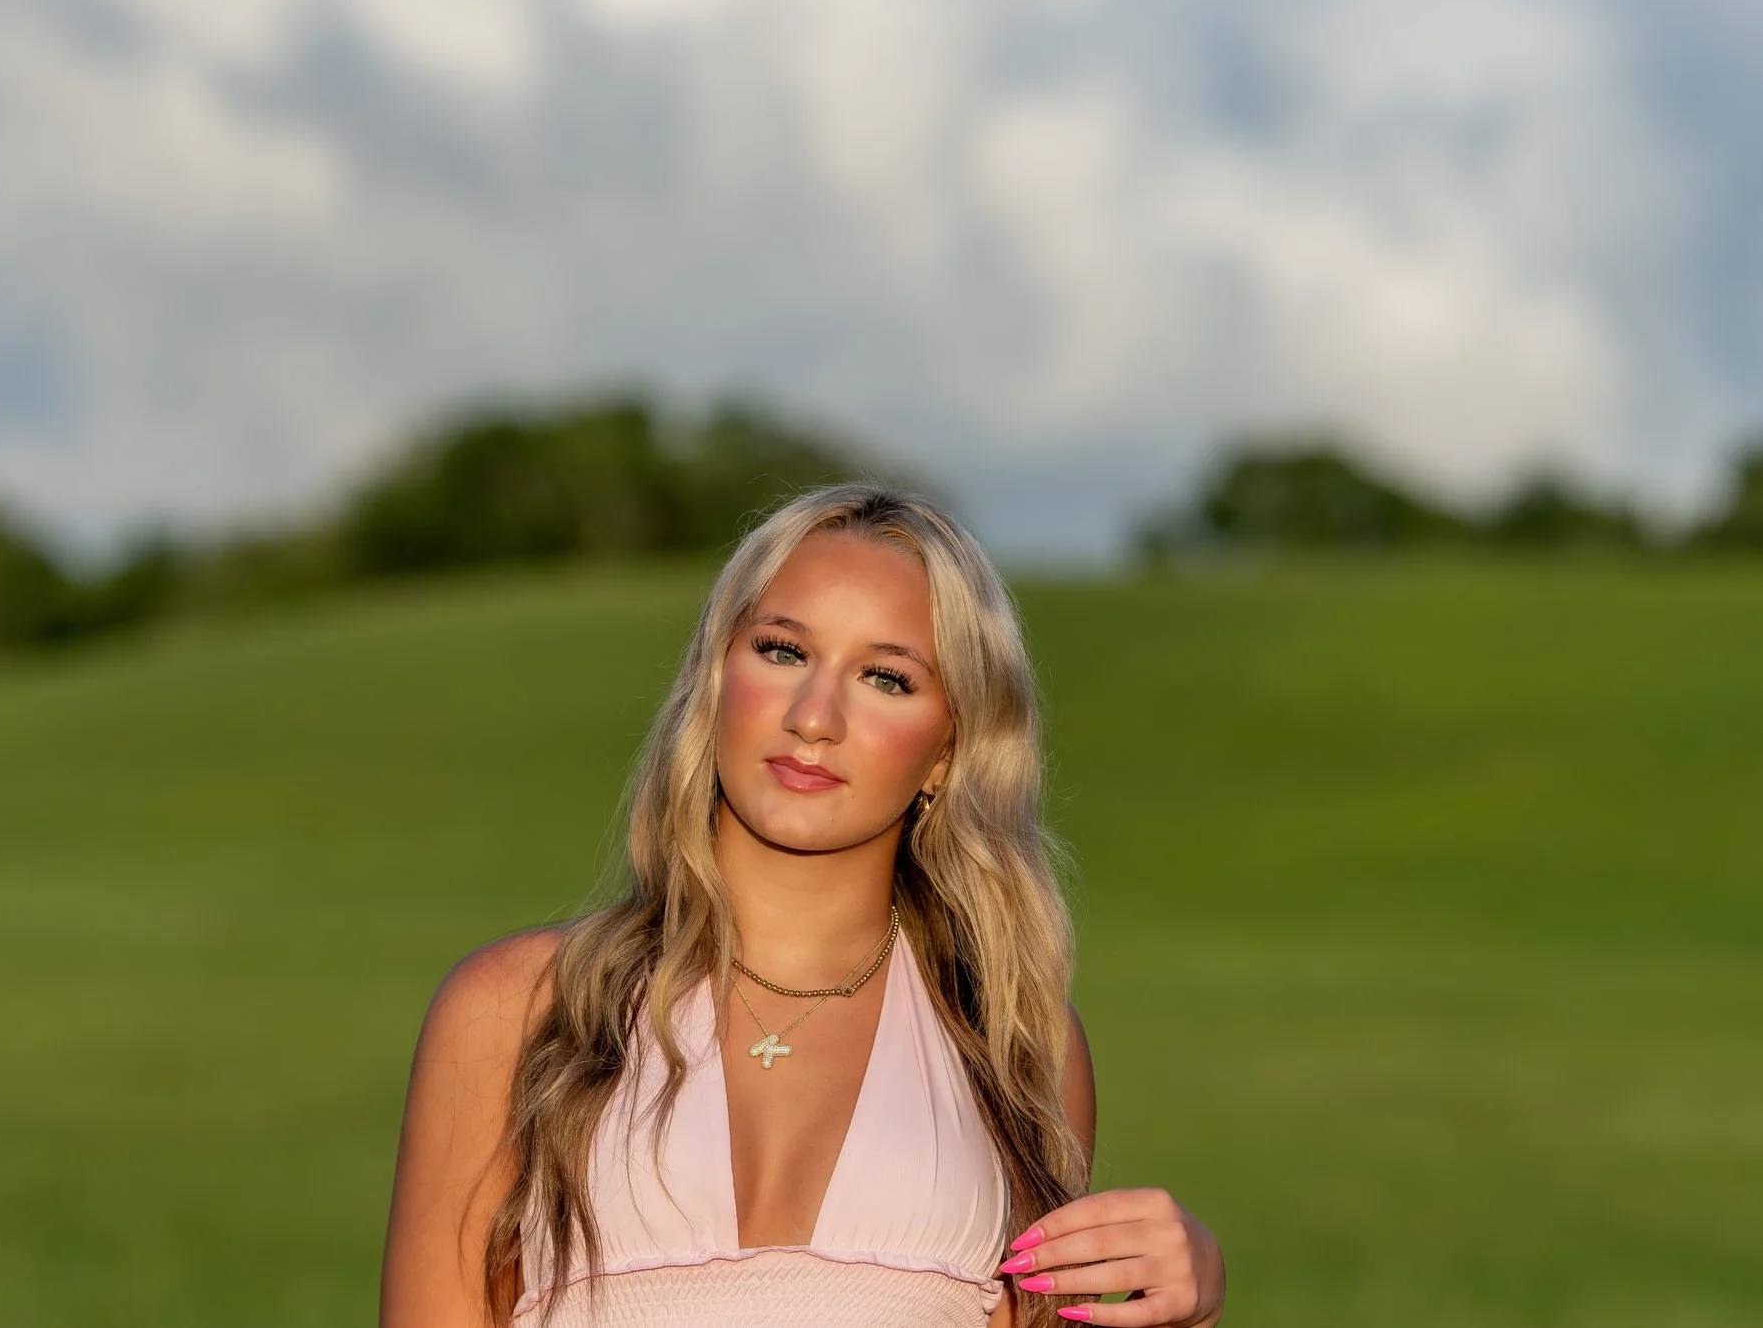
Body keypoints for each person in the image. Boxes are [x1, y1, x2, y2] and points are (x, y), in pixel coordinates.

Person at [380, 485, 1226, 1327]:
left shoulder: (1019, 1044)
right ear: (717, 678)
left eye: (887, 677)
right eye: (783, 652)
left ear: (948, 750)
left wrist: (1181, 1297)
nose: (814, 716)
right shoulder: (516, 1008)